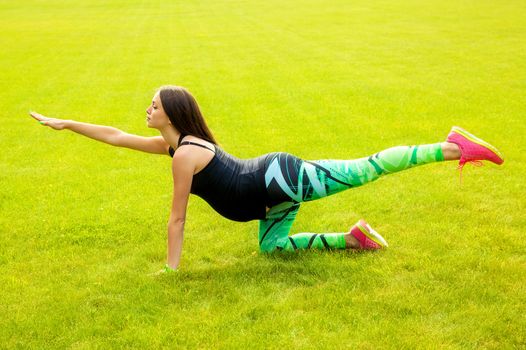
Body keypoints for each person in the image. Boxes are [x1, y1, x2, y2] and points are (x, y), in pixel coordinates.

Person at [30, 85, 504, 274]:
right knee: (272, 250)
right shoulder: (176, 146)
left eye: (153, 105)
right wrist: (67, 123)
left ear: (171, 112)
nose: (146, 111)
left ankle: (450, 146)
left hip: (278, 180)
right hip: (266, 198)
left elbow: (177, 220)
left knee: (365, 168)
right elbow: (115, 136)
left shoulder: (184, 155)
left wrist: (171, 271)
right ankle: (354, 239)